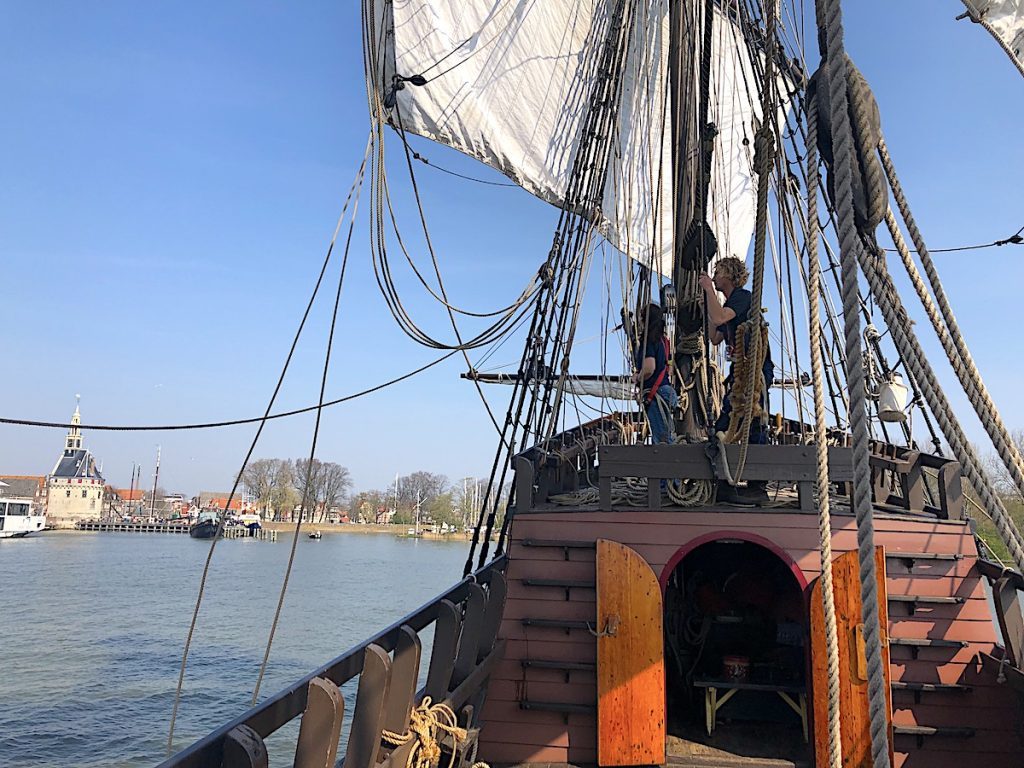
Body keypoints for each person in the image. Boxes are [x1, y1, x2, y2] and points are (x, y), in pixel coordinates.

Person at [699, 257, 775, 500]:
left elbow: (721, 318)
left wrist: (710, 291)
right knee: (727, 421)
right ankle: (726, 482)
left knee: (753, 420)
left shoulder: (743, 297)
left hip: (755, 370)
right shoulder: (730, 304)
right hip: (739, 371)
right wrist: (707, 304)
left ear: (729, 275)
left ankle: (757, 486)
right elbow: (714, 337)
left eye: (718, 271)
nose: (714, 275)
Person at [632, 303, 677, 444]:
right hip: (666, 391)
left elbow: (650, 368)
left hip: (657, 395)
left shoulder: (649, 340)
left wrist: (637, 377)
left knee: (663, 441)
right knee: (665, 436)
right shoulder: (663, 341)